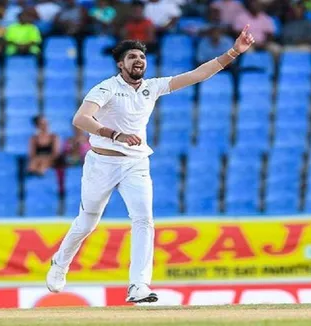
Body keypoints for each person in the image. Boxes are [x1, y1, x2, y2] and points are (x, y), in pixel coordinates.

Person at [45, 27, 256, 303]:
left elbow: (197, 75)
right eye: (132, 57)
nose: (139, 61)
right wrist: (114, 134)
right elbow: (81, 119)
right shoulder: (106, 87)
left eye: (142, 57)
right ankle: (60, 263)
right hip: (102, 163)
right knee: (88, 222)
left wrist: (233, 52)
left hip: (136, 163)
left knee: (144, 220)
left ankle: (139, 286)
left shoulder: (152, 87)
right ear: (121, 64)